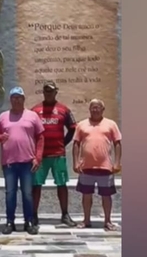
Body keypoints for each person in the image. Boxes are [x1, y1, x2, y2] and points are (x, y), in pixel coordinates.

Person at [0, 87, 44, 235]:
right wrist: (0, 137)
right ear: (10, 99)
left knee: (27, 193)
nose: (16, 100)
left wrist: (38, 157)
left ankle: (29, 221)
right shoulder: (3, 116)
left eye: (19, 97)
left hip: (27, 162)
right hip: (9, 162)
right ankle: (10, 221)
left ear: (23, 99)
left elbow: (40, 137)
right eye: (14, 97)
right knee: (10, 193)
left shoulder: (32, 116)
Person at [31, 81, 78, 227]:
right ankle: (33, 216)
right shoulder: (35, 110)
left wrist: (63, 143)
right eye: (46, 91)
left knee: (62, 184)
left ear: (56, 92)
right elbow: (29, 129)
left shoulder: (64, 110)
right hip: (40, 156)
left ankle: (65, 214)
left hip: (58, 154)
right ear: (43, 92)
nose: (48, 93)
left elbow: (72, 128)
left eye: (51, 91)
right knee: (36, 185)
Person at [72, 99, 122, 231]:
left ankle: (108, 221)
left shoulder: (111, 124)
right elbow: (76, 144)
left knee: (106, 195)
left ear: (102, 109)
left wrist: (117, 163)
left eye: (98, 107)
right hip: (86, 166)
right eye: (92, 107)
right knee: (86, 195)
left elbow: (117, 143)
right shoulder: (82, 125)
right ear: (89, 109)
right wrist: (76, 162)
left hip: (105, 166)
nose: (95, 110)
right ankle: (86, 220)